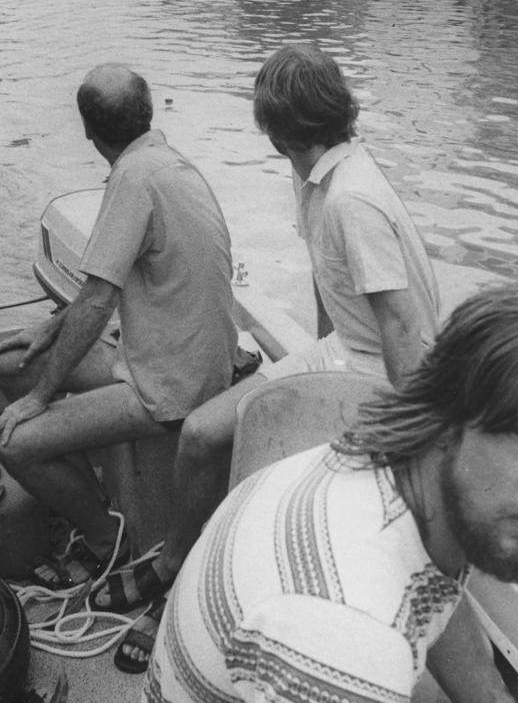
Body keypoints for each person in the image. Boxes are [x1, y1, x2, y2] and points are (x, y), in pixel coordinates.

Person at [142, 282, 518, 703]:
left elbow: (451, 626)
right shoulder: (350, 634)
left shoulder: (391, 481)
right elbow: (360, 641)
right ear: (447, 417)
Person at [97, 43, 440, 670]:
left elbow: (404, 327)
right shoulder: (322, 174)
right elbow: (331, 286)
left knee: (234, 457)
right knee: (203, 434)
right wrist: (307, 366)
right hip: (343, 352)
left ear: (278, 127)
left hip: (376, 375)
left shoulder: (349, 200)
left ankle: (186, 584)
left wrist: (415, 438)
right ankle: (175, 564)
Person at [0, 64, 237, 591]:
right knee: (11, 365)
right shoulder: (166, 162)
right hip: (179, 358)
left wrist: (42, 396)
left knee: (15, 442)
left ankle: (108, 540)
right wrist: (49, 328)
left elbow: (98, 301)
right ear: (147, 112)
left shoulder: (132, 179)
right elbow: (98, 291)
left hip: (167, 386)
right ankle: (96, 503)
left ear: (88, 130)